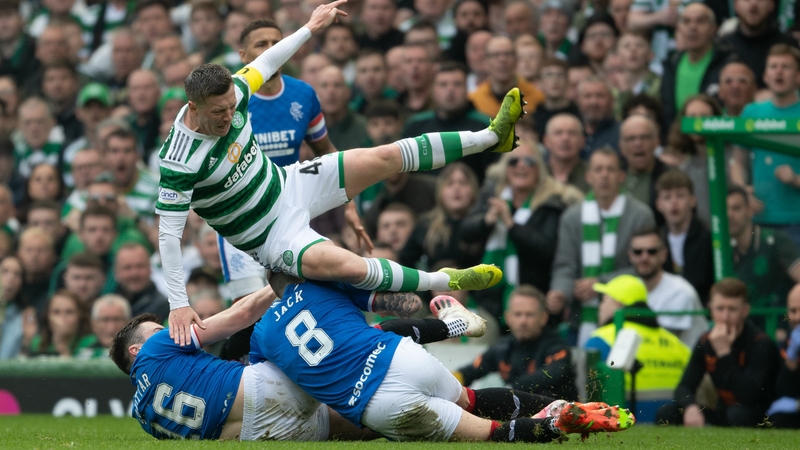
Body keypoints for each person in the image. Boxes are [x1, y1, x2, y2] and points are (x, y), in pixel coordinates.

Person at [158, 1, 523, 346]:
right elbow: (169, 236)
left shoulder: (236, 90)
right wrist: (178, 302)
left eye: (230, 108)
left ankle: (491, 137)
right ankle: (446, 281)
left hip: (290, 183)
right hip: (270, 237)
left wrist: (311, 26)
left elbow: (268, 61)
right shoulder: (178, 161)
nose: (228, 117)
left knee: (383, 156)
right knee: (345, 268)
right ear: (194, 107)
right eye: (218, 112)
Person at [252, 272, 634, 442]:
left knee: (490, 434)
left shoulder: (262, 334)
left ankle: (557, 425)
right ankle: (568, 405)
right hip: (401, 356)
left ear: (270, 285)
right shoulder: (326, 285)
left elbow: (263, 384)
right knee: (471, 398)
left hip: (378, 404)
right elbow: (397, 307)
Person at [109, 282, 503, 440]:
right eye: (158, 328)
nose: (170, 327)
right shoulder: (157, 347)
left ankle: (445, 420)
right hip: (263, 389)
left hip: (261, 437)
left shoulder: (142, 415)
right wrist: (278, 282)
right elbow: (235, 319)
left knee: (370, 423)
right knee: (351, 345)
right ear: (135, 350)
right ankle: (450, 325)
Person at [462, 142, 582, 320]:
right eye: (513, 161)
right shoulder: (492, 196)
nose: (521, 165)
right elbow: (464, 234)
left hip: (534, 300)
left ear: (539, 169)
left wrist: (511, 225)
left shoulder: (552, 204)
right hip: (489, 299)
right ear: (505, 168)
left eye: (529, 161)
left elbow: (546, 249)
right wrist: (487, 221)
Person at [548, 148, 655, 345]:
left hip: (627, 317)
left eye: (610, 170)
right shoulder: (571, 217)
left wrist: (601, 283)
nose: (604, 175)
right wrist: (560, 292)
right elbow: (565, 265)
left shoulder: (640, 215)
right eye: (598, 170)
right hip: (579, 318)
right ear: (588, 176)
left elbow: (645, 267)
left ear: (621, 176)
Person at [656, 278, 781, 427]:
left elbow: (749, 395)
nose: (725, 317)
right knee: (666, 413)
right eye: (720, 309)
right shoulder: (705, 341)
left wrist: (724, 353)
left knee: (737, 415)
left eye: (732, 309)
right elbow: (684, 386)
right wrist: (690, 407)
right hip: (724, 412)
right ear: (711, 309)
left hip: (760, 414)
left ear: (745, 311)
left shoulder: (760, 343)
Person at [585, 274, 691, 422]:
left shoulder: (601, 338)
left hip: (627, 421)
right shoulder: (675, 341)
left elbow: (585, 391)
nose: (600, 307)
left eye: (604, 300)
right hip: (677, 421)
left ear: (618, 305)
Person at [454, 285, 578, 400]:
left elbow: (554, 373)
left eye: (529, 315)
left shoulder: (556, 346)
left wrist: (510, 389)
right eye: (518, 314)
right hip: (518, 416)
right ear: (508, 318)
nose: (523, 321)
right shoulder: (501, 347)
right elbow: (469, 372)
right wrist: (450, 379)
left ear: (543, 318)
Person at [739, 44, 800, 247]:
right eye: (773, 66)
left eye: (786, 66)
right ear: (765, 76)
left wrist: (796, 179)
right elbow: (737, 162)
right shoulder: (751, 112)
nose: (779, 72)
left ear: (798, 76)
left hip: (796, 218)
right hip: (759, 219)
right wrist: (743, 191)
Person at [628, 226, 707, 347]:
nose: (644, 257)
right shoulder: (628, 289)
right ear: (630, 255)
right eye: (638, 252)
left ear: (664, 255)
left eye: (652, 251)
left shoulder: (680, 291)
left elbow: (664, 343)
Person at [399, 163, 483, 271]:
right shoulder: (426, 225)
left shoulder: (483, 224)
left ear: (473, 190)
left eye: (463, 183)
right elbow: (406, 261)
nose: (456, 188)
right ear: (440, 191)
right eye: (449, 183)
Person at [660, 3, 732, 131]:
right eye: (686, 21)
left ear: (713, 28)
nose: (692, 27)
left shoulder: (728, 63)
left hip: (718, 139)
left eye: (700, 21)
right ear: (679, 28)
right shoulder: (670, 65)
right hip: (679, 143)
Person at [727, 186, 800, 311]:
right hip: (739, 324)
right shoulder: (719, 247)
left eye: (736, 208)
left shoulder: (774, 240)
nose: (729, 215)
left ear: (750, 210)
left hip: (780, 322)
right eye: (725, 210)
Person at [654, 170, 714, 304]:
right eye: (667, 197)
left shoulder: (708, 237)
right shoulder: (656, 241)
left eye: (680, 196)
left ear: (693, 200)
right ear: (658, 204)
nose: (674, 202)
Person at [719, 0, 798, 89]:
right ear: (736, 5)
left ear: (771, 5)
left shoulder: (788, 45)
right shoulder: (722, 45)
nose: (753, 3)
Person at [619, 114, 670, 225]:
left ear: (656, 143)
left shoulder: (670, 176)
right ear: (621, 146)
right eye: (631, 138)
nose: (638, 143)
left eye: (644, 137)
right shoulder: (613, 176)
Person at [767, 283, 800, 428]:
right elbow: (782, 391)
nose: (798, 317)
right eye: (793, 311)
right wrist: (791, 359)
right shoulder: (787, 344)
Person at [532, 59, 581, 142]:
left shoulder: (579, 113)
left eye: (560, 75)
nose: (555, 80)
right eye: (549, 75)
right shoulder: (534, 118)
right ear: (540, 83)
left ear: (567, 81)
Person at [542, 113, 589, 193]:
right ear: (546, 141)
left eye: (571, 133)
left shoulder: (592, 173)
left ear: (582, 141)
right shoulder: (537, 175)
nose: (565, 138)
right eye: (558, 133)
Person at [79, 293, 131, 359]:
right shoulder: (83, 351)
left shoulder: (138, 355)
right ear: (93, 324)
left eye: (117, 320)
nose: (111, 328)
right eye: (105, 320)